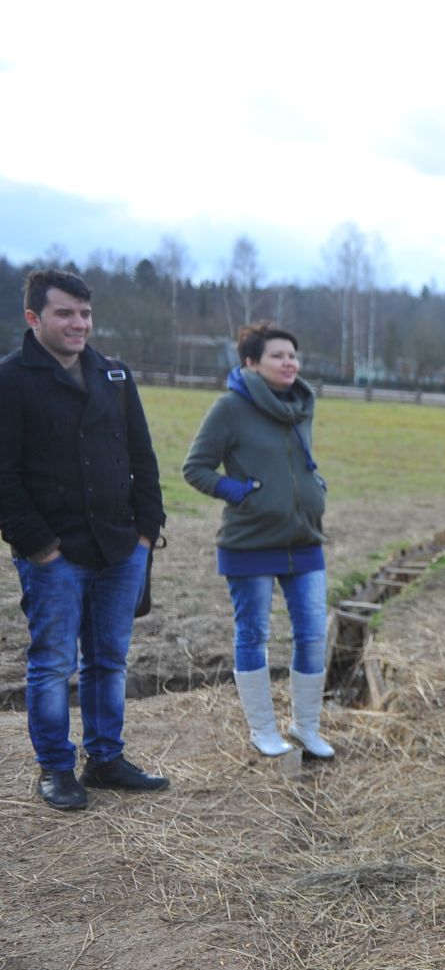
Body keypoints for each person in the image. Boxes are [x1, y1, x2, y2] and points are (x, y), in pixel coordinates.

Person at [0, 269, 168, 811]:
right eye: (65, 314)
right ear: (34, 318)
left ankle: (106, 758)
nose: (79, 324)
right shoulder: (10, 380)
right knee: (52, 664)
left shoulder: (114, 375)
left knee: (109, 661)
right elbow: (3, 476)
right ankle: (55, 768)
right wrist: (38, 546)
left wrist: (146, 533)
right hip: (55, 554)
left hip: (120, 548)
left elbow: (142, 458)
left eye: (86, 314)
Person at [182, 323, 335, 762]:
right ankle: (263, 731)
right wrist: (241, 493)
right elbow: (196, 468)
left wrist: (314, 486)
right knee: (254, 635)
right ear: (251, 363)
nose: (290, 363)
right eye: (278, 356)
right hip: (249, 542)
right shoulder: (229, 408)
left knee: (310, 636)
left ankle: (305, 727)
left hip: (304, 539)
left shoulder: (301, 404)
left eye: (293, 355)